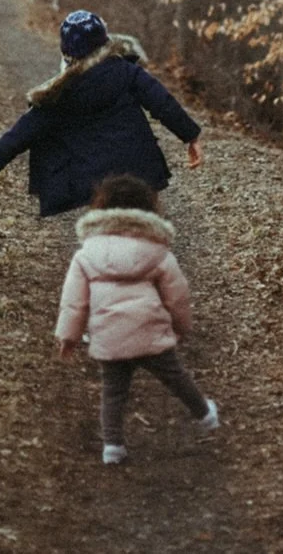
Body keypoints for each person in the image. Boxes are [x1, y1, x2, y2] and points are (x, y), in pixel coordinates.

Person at [55, 174, 219, 465]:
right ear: (147, 211)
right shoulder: (157, 250)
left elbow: (74, 301)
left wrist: (68, 337)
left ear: (100, 210)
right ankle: (205, 414)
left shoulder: (87, 253)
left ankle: (113, 447)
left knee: (113, 391)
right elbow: (176, 296)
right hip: (150, 331)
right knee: (175, 377)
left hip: (109, 335)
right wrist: (182, 327)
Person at [0, 10, 203, 217]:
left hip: (96, 184)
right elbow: (162, 102)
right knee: (150, 230)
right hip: (141, 171)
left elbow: (24, 131)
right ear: (105, 40)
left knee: (103, 235)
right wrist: (190, 136)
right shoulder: (127, 72)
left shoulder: (58, 94)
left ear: (66, 51)